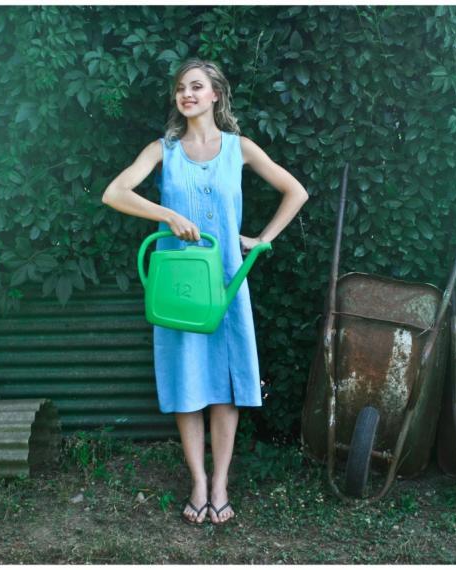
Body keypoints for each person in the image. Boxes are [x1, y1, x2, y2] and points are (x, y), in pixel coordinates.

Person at [101, 59, 308, 525]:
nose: (187, 94)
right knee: (187, 382)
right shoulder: (163, 150)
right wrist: (166, 216)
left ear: (216, 94)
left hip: (227, 283)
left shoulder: (240, 148)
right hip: (179, 285)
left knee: (225, 388)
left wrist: (260, 240)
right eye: (180, 88)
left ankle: (220, 483)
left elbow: (295, 192)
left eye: (196, 86)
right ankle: (197, 480)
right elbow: (114, 193)